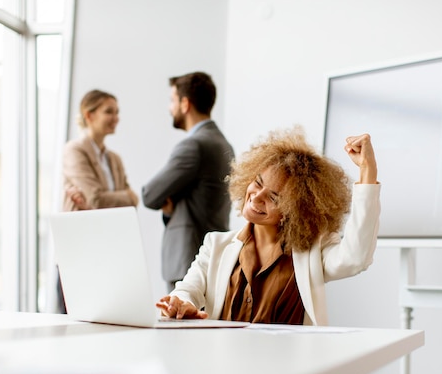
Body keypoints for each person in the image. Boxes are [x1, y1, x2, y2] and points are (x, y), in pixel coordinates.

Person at [156, 126, 380, 327]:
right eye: (258, 183)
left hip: (291, 369)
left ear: (294, 210)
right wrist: (181, 304)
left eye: (274, 197)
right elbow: (188, 290)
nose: (256, 197)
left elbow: (355, 258)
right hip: (223, 365)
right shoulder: (216, 244)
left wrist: (367, 172)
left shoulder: (312, 252)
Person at [142, 72, 234, 293]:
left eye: (172, 100)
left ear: (185, 104)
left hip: (189, 261)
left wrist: (170, 202)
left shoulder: (194, 145)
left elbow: (149, 195)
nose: (169, 108)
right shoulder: (223, 143)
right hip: (209, 258)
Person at [58, 89, 139, 313]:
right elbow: (96, 199)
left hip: (109, 249)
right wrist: (126, 197)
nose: (116, 118)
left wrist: (124, 199)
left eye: (117, 112)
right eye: (109, 112)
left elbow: (132, 201)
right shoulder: (74, 150)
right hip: (80, 250)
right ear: (89, 115)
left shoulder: (114, 159)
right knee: (73, 323)